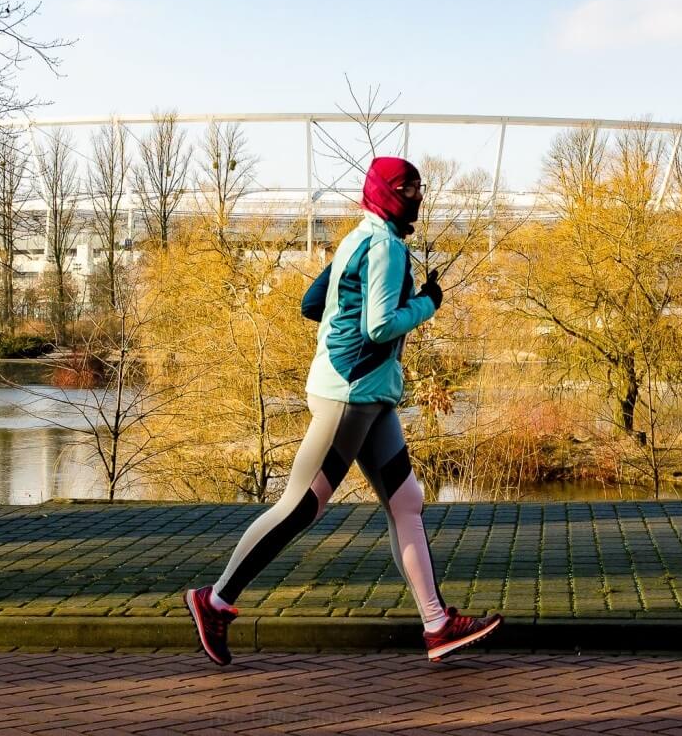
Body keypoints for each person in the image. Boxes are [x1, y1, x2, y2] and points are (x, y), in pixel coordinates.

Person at [185, 156, 502, 665]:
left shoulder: (358, 238)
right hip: (349, 395)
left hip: (370, 395)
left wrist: (344, 304)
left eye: (420, 186)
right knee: (301, 506)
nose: (417, 195)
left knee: (407, 503)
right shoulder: (385, 246)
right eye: (409, 187)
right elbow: (379, 327)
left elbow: (314, 301)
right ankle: (215, 599)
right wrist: (428, 302)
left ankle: (437, 624)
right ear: (388, 193)